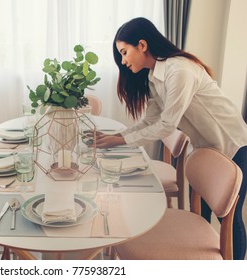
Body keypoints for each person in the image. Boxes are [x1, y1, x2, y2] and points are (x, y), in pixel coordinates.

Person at [96, 17, 247, 260]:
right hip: (207, 146)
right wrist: (117, 136)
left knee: (229, 217)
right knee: (203, 212)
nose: (123, 61)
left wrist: (121, 142)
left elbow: (167, 126)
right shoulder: (154, 76)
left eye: (124, 52)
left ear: (142, 45)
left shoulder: (180, 70)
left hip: (232, 143)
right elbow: (150, 121)